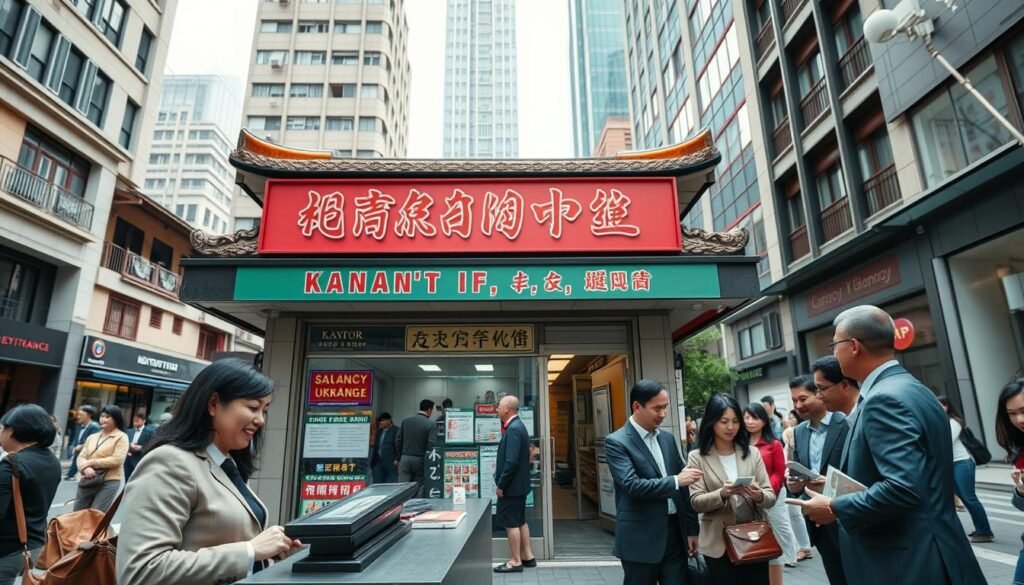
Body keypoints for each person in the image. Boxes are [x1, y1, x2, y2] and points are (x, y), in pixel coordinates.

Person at [791, 305, 985, 585]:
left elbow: (903, 488)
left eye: (835, 344)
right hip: (930, 548)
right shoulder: (913, 388)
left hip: (907, 561)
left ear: (854, 346)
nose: (834, 352)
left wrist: (836, 506)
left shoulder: (884, 399)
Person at [117, 359, 302, 585]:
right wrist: (250, 550)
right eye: (253, 407)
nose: (260, 420)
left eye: (265, 410)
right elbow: (141, 571)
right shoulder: (170, 462)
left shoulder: (226, 462)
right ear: (214, 403)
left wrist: (272, 551)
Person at [604, 380, 701, 584]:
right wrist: (675, 480)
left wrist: (692, 529)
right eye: (657, 408)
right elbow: (631, 485)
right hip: (640, 538)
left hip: (675, 533)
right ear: (637, 406)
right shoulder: (617, 442)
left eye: (665, 407)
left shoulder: (667, 439)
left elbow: (685, 487)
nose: (663, 414)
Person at [688, 393, 776, 584]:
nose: (730, 427)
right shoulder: (697, 457)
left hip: (753, 539)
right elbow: (696, 501)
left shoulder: (751, 453)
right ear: (711, 422)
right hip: (718, 546)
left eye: (735, 421)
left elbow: (770, 497)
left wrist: (758, 494)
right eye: (724, 421)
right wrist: (722, 493)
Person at [787, 375, 849, 585]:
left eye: (803, 399)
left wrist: (829, 482)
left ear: (819, 394)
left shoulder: (846, 423)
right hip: (818, 521)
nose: (798, 405)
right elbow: (798, 468)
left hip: (846, 514)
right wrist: (794, 485)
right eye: (794, 400)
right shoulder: (799, 432)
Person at [0, 405, 61, 585]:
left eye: (3, 428)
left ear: (14, 431)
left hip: (6, 547)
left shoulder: (12, 464)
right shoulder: (52, 461)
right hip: (33, 544)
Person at [744, 402, 797, 583]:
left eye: (755, 417)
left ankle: (782, 568)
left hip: (772, 496)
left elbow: (778, 473)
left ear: (764, 421)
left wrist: (768, 493)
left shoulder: (773, 444)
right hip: (745, 498)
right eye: (747, 417)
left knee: (775, 534)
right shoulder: (740, 445)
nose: (750, 422)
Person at [936, 396, 993, 543]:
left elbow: (946, 441)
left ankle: (985, 531)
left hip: (962, 463)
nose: (939, 408)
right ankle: (980, 528)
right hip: (952, 464)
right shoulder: (939, 422)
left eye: (942, 405)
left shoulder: (954, 421)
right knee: (964, 497)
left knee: (969, 497)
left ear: (948, 406)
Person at [493, 395, 535, 573]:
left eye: (499, 406)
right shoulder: (518, 426)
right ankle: (528, 556)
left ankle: (516, 561)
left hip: (512, 487)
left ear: (507, 409)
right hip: (519, 486)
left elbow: (511, 462)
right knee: (520, 521)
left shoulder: (513, 429)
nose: (497, 409)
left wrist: (501, 485)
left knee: (511, 524)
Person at [73, 404, 129, 513]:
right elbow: (82, 456)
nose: (103, 419)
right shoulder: (92, 437)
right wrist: (85, 468)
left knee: (95, 515)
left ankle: (94, 531)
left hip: (109, 480)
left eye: (107, 417)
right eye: (102, 416)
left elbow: (117, 460)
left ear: (116, 419)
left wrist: (92, 462)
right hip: (88, 479)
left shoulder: (121, 437)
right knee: (77, 513)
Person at [997, 379, 1024, 583]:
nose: (1019, 420)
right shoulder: (1019, 448)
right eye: (1012, 414)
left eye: (1023, 411)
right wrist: (1021, 490)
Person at [780, 407, 812, 562]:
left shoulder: (799, 434)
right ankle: (801, 547)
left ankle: (804, 547)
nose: (788, 419)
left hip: (800, 482)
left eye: (792, 417)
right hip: (790, 480)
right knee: (792, 513)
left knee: (795, 513)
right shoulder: (789, 436)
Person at [395, 399, 435, 490]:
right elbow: (432, 443)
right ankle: (416, 503)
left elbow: (398, 440)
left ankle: (403, 503)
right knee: (418, 486)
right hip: (420, 459)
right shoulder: (431, 424)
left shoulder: (406, 420)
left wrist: (398, 458)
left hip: (405, 458)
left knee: (402, 487)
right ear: (429, 410)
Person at [63, 406, 100, 480]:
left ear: (88, 415)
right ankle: (71, 474)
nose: (78, 417)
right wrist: (73, 446)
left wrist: (82, 446)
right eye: (78, 415)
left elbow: (94, 441)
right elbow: (76, 438)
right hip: (78, 452)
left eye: (81, 415)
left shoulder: (94, 427)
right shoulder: (79, 426)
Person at [125, 411, 155, 482]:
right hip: (128, 460)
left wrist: (141, 448)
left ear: (144, 421)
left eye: (138, 420)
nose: (135, 422)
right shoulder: (129, 431)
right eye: (134, 420)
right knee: (126, 479)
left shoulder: (150, 432)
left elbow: (153, 444)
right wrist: (130, 445)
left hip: (140, 460)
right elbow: (125, 443)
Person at [370, 412, 399, 484]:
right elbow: (376, 447)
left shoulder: (396, 430)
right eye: (380, 421)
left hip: (392, 462)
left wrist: (397, 459)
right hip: (379, 462)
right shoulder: (379, 432)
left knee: (390, 483)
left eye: (383, 420)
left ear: (389, 420)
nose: (381, 423)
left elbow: (400, 446)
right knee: (378, 483)